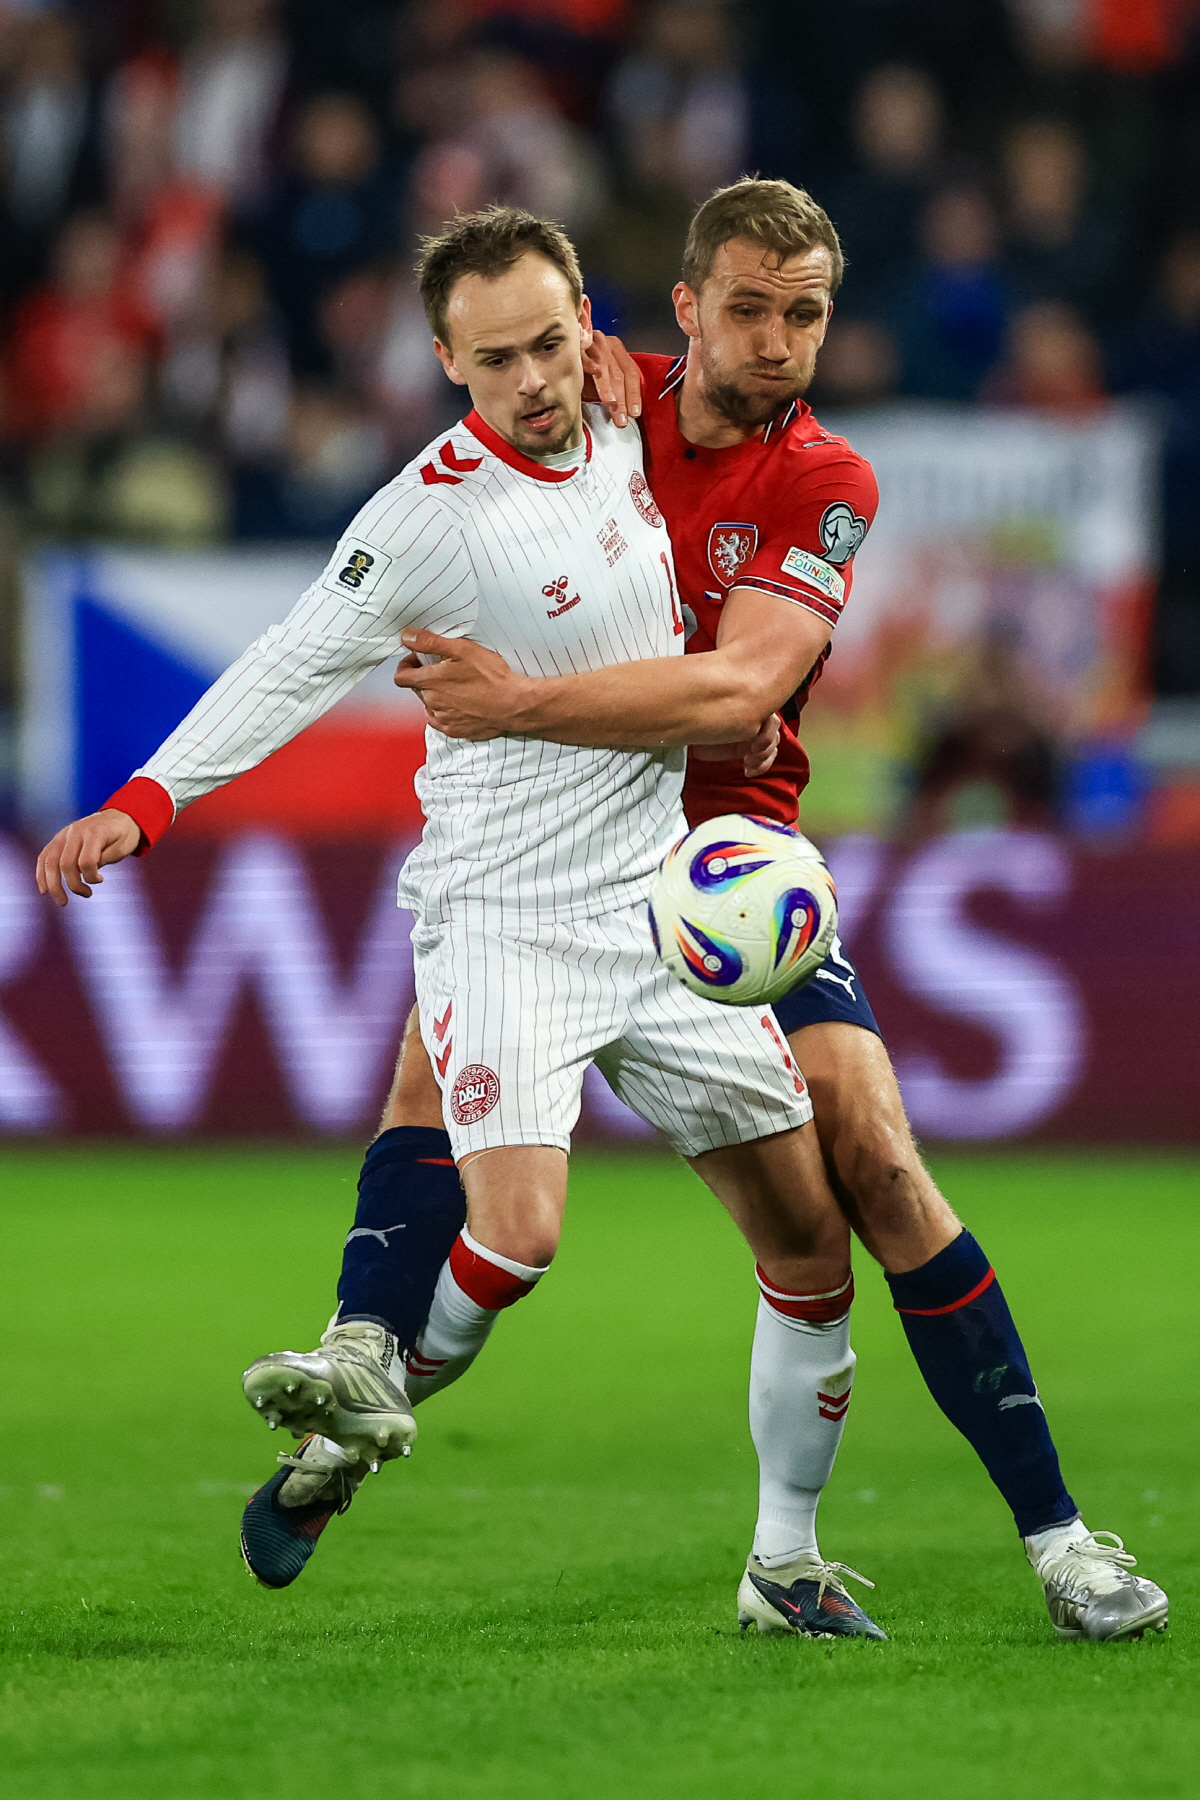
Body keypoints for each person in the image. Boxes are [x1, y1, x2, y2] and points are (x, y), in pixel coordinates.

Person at [36, 204, 887, 1643]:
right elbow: (290, 662)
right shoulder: (424, 518)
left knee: (812, 1241)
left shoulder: (627, 417)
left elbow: (685, 399)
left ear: (593, 332)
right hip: (506, 907)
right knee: (524, 1231)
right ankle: (355, 1408)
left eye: (557, 343)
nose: (539, 382)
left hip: (661, 899)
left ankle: (785, 1565)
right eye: (500, 361)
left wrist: (632, 360)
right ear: (446, 362)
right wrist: (146, 802)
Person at [340, 178, 1168, 1645]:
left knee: (873, 1166)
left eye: (806, 313)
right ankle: (353, 1389)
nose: (779, 340)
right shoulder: (588, 402)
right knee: (435, 1083)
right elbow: (470, 446)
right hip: (553, 849)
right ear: (681, 308)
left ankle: (1053, 1543)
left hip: (728, 874)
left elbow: (739, 690)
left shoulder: (824, 480)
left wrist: (518, 697)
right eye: (747, 307)